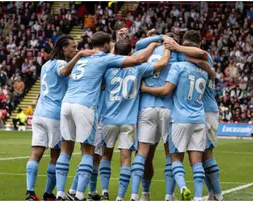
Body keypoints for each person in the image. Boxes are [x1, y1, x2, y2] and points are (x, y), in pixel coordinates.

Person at [55, 31, 160, 201]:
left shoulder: (81, 57)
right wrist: (155, 44)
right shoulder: (104, 59)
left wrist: (80, 53)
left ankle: (60, 193)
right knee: (88, 152)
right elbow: (138, 60)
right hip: (87, 105)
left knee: (66, 149)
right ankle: (80, 194)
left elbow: (64, 72)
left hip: (67, 103)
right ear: (105, 45)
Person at [130, 30, 213, 201]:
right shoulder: (177, 54)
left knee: (144, 153)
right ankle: (169, 195)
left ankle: (138, 194)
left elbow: (137, 45)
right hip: (168, 109)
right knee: (171, 155)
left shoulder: (144, 51)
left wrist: (158, 39)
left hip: (146, 107)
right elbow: (200, 58)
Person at [25, 35, 96, 201]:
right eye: (73, 46)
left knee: (35, 153)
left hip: (39, 114)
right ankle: (49, 194)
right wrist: (80, 56)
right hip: (55, 115)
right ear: (64, 48)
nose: (75, 49)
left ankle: (30, 192)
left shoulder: (45, 65)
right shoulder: (61, 63)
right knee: (56, 156)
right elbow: (64, 72)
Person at [98, 39, 170, 201]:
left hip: (108, 119)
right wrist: (155, 45)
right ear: (131, 53)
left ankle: (104, 191)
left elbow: (101, 85)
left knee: (106, 156)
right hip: (128, 121)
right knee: (126, 159)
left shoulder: (108, 69)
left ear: (115, 52)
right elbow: (161, 64)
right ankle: (122, 197)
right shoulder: (138, 69)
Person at [201, 53, 223, 201]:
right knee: (201, 156)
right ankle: (212, 194)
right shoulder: (209, 71)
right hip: (209, 110)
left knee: (207, 154)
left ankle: (219, 195)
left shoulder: (205, 69)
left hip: (206, 112)